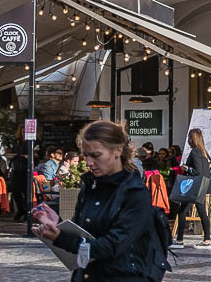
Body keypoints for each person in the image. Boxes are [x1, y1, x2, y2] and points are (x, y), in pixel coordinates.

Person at [32, 120, 165, 282]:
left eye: (96, 155)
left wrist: (61, 238)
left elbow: (113, 246)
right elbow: (85, 233)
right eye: (85, 156)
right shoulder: (90, 186)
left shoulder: (134, 192)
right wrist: (57, 223)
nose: (88, 163)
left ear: (118, 151)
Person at [175, 127, 211, 247]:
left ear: (193, 139)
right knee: (202, 212)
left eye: (189, 137)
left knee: (182, 211)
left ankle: (179, 240)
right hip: (202, 186)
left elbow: (197, 171)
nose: (188, 140)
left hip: (195, 187)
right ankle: (207, 239)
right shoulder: (203, 152)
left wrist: (187, 168)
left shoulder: (195, 152)